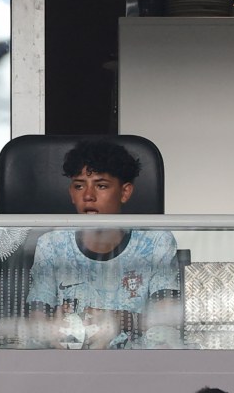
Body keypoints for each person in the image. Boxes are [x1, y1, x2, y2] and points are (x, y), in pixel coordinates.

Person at [25, 140, 182, 349]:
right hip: (67, 365)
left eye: (101, 186)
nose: (88, 196)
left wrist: (118, 321)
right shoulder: (51, 244)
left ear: (125, 192)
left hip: (137, 369)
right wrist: (52, 334)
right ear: (71, 193)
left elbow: (168, 321)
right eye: (79, 186)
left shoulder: (156, 243)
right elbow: (37, 322)